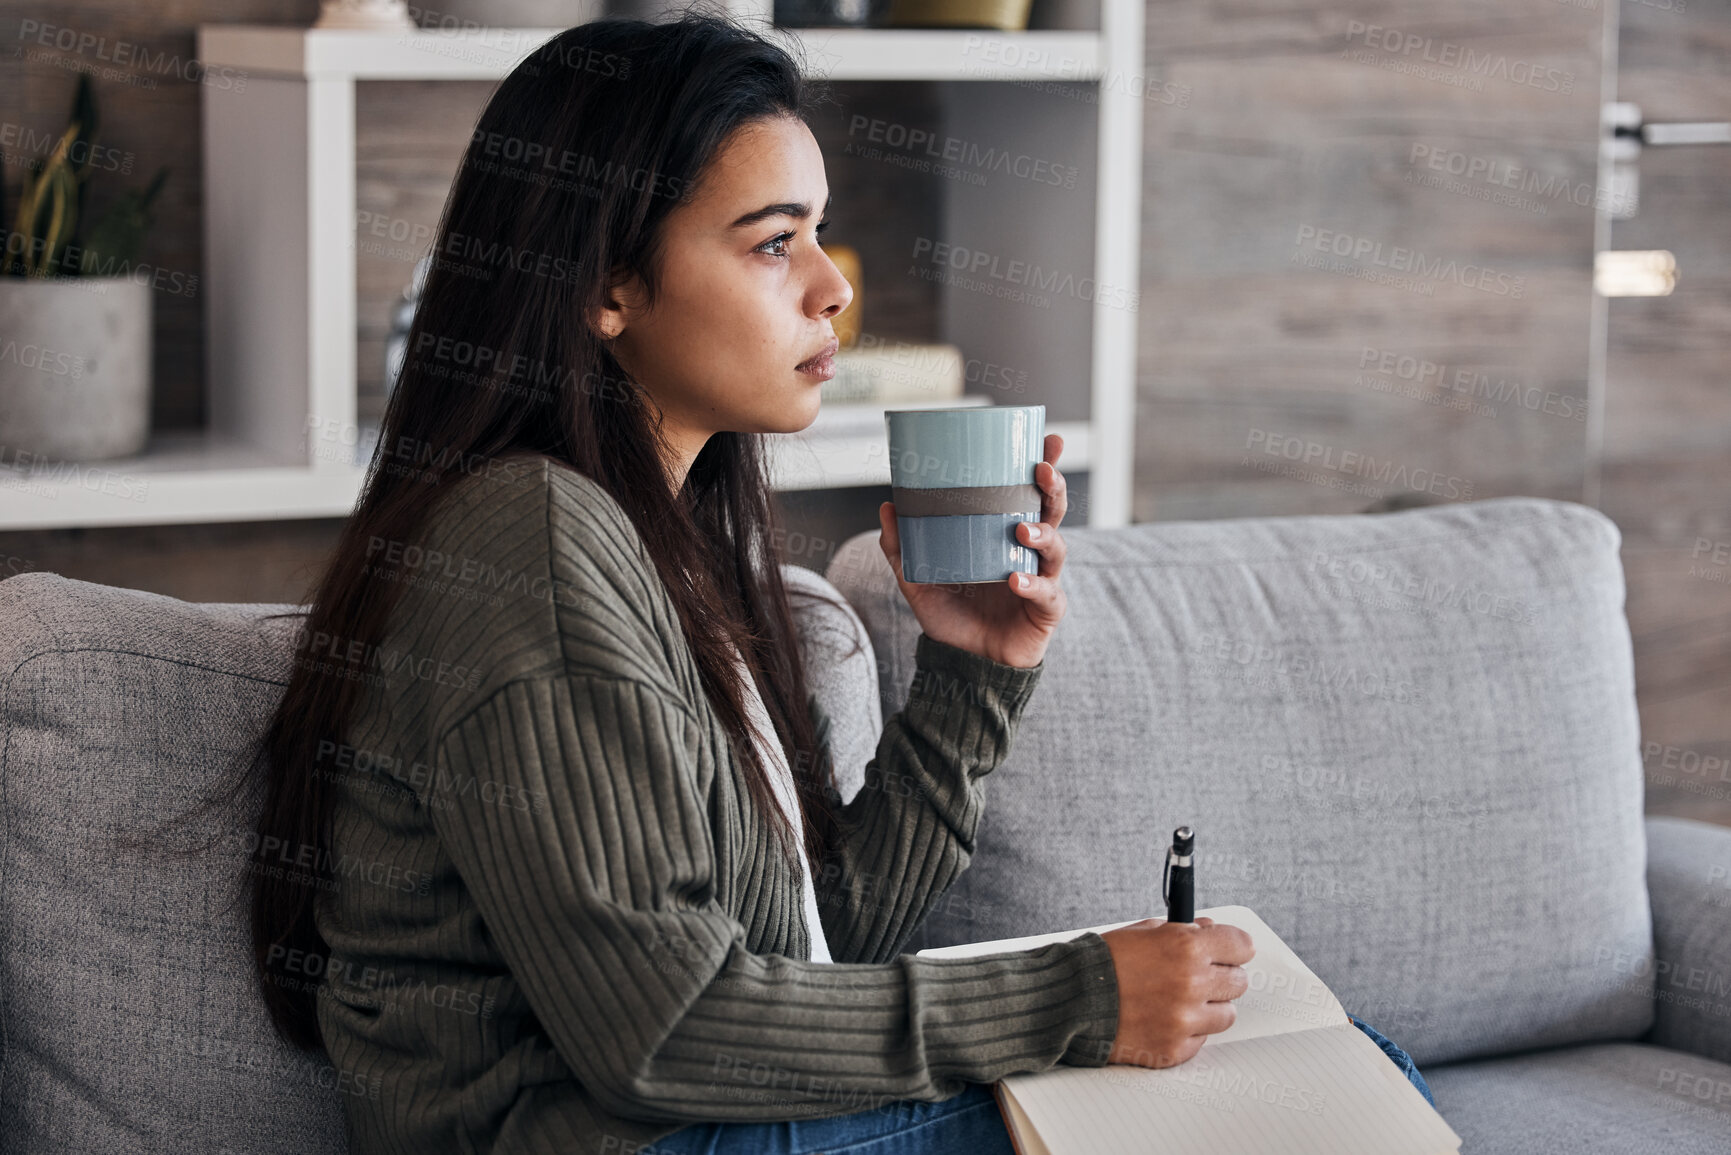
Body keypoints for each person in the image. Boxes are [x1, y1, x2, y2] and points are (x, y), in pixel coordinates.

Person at [239, 11, 1431, 1154]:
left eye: (818, 233)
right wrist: (1079, 996)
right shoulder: (533, 542)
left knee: (1340, 1076)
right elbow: (661, 1035)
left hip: (714, 1125)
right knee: (1337, 1095)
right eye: (772, 242)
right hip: (626, 1141)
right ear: (607, 286)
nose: (832, 286)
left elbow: (808, 966)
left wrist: (970, 672)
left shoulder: (661, 549)